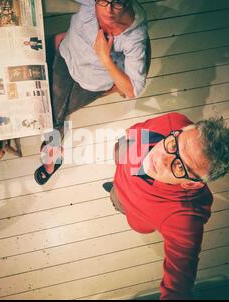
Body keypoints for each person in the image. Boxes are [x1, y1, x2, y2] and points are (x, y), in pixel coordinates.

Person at [103, 111, 229, 299]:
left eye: (179, 166)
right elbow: (140, 129)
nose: (160, 159)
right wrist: (128, 140)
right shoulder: (174, 121)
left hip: (131, 210)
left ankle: (116, 200)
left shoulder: (183, 218)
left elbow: (178, 286)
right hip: (124, 172)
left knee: (116, 200)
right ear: (180, 131)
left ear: (191, 184)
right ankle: (117, 186)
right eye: (173, 145)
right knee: (119, 169)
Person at [34, 0, 149, 184]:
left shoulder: (134, 35)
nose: (109, 9)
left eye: (118, 2)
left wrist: (105, 57)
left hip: (90, 83)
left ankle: (53, 152)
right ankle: (53, 152)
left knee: (53, 113)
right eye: (103, 1)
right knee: (55, 112)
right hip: (66, 56)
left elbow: (134, 89)